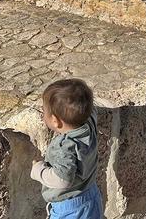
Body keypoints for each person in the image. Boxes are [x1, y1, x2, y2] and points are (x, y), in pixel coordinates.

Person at [31, 79, 103, 219]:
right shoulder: (89, 125)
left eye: (44, 111)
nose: (42, 113)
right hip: (91, 196)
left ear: (55, 121)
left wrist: (38, 170)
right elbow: (92, 110)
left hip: (70, 208)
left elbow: (63, 179)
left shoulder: (64, 146)